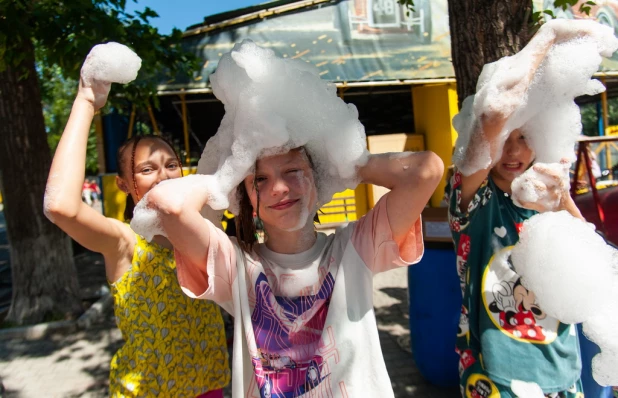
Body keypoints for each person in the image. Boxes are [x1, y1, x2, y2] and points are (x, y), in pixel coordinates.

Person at [142, 145, 444, 397]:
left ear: (317, 179)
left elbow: (426, 170)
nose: (278, 188)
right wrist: (224, 178)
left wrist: (342, 162)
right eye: (259, 179)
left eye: (293, 171)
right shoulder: (234, 265)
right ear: (246, 198)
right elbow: (169, 205)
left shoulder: (355, 248)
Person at [44, 74, 230, 397]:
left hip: (210, 387)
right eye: (147, 169)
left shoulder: (203, 230)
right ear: (124, 185)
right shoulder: (125, 243)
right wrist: (86, 101)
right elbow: (61, 206)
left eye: (171, 164)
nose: (164, 175)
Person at [445, 25, 589, 398]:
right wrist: (550, 36)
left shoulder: (551, 196)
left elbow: (592, 267)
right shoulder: (473, 200)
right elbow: (495, 113)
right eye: (504, 140)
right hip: (493, 375)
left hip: (562, 371)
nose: (512, 152)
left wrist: (563, 202)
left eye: (524, 137)